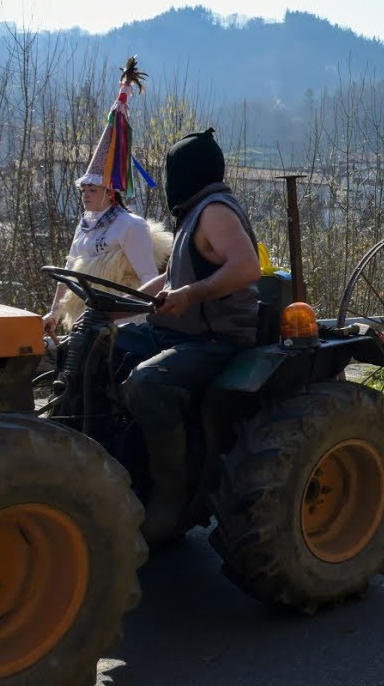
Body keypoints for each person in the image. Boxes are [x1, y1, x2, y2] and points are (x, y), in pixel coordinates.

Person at [119, 128, 262, 545]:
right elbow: (173, 277)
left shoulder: (215, 211)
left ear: (186, 172)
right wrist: (120, 303)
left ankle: (170, 497)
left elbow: (246, 267)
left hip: (216, 341)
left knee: (149, 383)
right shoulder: (193, 215)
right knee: (107, 351)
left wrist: (191, 294)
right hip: (181, 334)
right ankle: (126, 469)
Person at [43, 57, 170, 333]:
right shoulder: (85, 225)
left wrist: (128, 319)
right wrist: (54, 311)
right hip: (88, 322)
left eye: (92, 189)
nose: (86, 195)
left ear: (110, 192)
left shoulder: (130, 225)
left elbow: (149, 277)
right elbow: (68, 270)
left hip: (123, 325)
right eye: (84, 190)